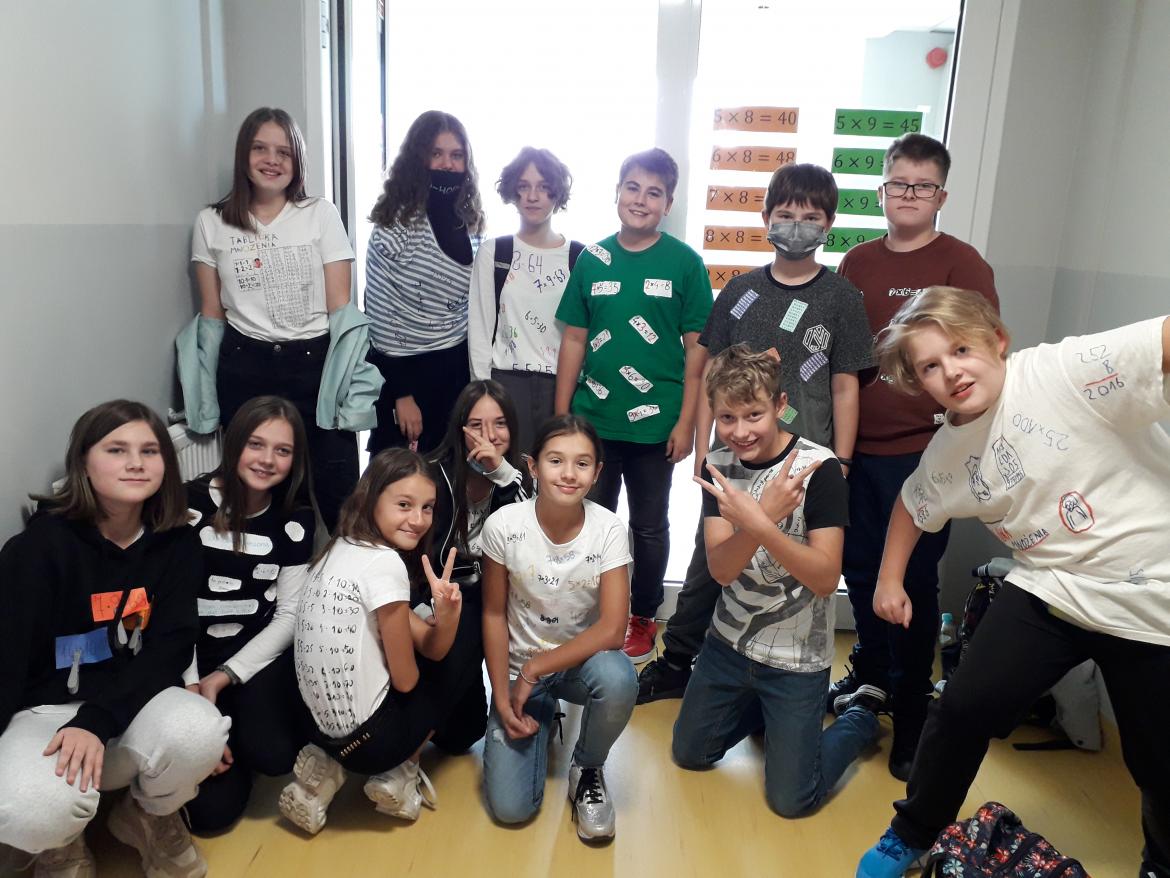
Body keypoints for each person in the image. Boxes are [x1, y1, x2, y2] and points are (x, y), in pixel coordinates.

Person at [855, 288, 1170, 878]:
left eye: (961, 350)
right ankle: (914, 831)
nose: (952, 372)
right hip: (1053, 585)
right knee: (963, 707)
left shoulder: (1065, 371)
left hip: (1151, 594)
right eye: (930, 365)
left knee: (1159, 762)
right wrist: (888, 579)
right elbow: (912, 505)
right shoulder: (949, 451)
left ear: (997, 340)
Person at [638, 162, 873, 701]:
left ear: (829, 224)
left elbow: (845, 387)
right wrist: (705, 454)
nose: (796, 226)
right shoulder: (739, 291)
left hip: (805, 464)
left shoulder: (842, 298)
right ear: (766, 218)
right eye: (785, 214)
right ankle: (677, 661)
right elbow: (708, 377)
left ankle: (781, 680)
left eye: (810, 217)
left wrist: (841, 460)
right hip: (734, 461)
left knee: (796, 562)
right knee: (711, 561)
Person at [0, 400, 228, 877]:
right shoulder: (40, 547)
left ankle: (146, 817)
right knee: (26, 813)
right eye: (116, 449)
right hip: (45, 714)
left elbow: (171, 646)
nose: (135, 463)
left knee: (201, 729)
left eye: (149, 451)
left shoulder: (177, 542)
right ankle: (59, 844)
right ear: (83, 462)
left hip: (127, 707)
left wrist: (97, 720)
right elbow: (9, 655)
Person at [833, 134, 998, 781]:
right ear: (882, 190)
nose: (908, 195)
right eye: (898, 183)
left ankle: (911, 714)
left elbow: (980, 355)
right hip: (856, 452)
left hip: (925, 455)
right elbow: (839, 358)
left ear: (941, 196)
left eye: (922, 186)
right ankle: (871, 679)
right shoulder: (856, 262)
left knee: (912, 583)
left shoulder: (961, 263)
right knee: (859, 569)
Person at [671, 346, 884, 817]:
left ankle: (859, 719)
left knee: (793, 801)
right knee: (689, 753)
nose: (740, 431)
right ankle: (764, 711)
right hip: (728, 646)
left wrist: (761, 525)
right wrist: (763, 516)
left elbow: (825, 578)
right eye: (727, 417)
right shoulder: (717, 466)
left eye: (754, 414)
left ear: (780, 404)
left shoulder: (819, 468)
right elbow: (722, 570)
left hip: (796, 659)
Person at [181, 106, 380, 532]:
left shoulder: (319, 214)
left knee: (338, 490)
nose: (272, 160)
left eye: (284, 152)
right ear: (244, 155)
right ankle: (270, 571)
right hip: (244, 367)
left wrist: (351, 390)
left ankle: (348, 569)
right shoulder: (211, 222)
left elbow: (342, 312)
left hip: (314, 367)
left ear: (297, 161)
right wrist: (204, 400)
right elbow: (211, 316)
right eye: (261, 149)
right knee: (258, 493)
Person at [555, 147, 713, 660]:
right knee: (591, 523)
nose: (641, 200)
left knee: (648, 526)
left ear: (668, 203)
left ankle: (642, 616)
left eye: (654, 192)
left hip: (656, 425)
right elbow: (573, 341)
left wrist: (687, 423)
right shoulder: (592, 259)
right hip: (593, 423)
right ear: (618, 192)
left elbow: (698, 355)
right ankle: (595, 614)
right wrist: (563, 420)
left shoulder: (685, 264)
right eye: (633, 188)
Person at [280, 449, 483, 835]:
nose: (418, 520)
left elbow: (424, 638)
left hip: (317, 731)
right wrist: (456, 621)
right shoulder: (385, 564)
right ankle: (401, 768)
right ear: (372, 498)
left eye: (427, 507)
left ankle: (330, 768)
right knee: (473, 623)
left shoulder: (340, 546)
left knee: (446, 627)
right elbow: (407, 681)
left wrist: (444, 617)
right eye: (404, 505)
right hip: (373, 744)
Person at [480, 415, 637, 841]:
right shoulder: (504, 526)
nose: (569, 474)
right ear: (532, 466)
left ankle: (587, 766)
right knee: (511, 810)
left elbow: (613, 629)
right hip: (519, 672)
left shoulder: (608, 529)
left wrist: (537, 669)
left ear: (597, 472)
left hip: (575, 667)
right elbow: (492, 615)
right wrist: (503, 694)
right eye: (555, 461)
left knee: (619, 677)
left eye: (582, 463)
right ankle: (541, 716)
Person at [181, 396, 320, 833]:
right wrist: (193, 686)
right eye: (256, 444)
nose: (267, 460)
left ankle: (237, 732)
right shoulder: (189, 503)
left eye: (283, 450)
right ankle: (217, 739)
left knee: (275, 755)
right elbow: (171, 607)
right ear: (235, 442)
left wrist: (223, 677)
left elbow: (289, 615)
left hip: (252, 659)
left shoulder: (295, 517)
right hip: (186, 660)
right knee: (208, 817)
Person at [364, 110, 485, 456]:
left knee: (451, 474)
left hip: (456, 372)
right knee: (397, 477)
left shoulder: (471, 222)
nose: (447, 164)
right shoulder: (395, 226)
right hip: (404, 377)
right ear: (419, 158)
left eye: (456, 155)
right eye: (437, 153)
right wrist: (401, 394)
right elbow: (379, 316)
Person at [467, 147, 584, 455]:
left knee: (558, 473)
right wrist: (483, 396)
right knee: (505, 474)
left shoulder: (579, 257)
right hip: (506, 383)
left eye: (543, 187)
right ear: (512, 191)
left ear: (557, 193)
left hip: (563, 386)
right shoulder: (495, 253)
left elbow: (584, 335)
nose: (533, 196)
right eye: (523, 186)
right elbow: (480, 331)